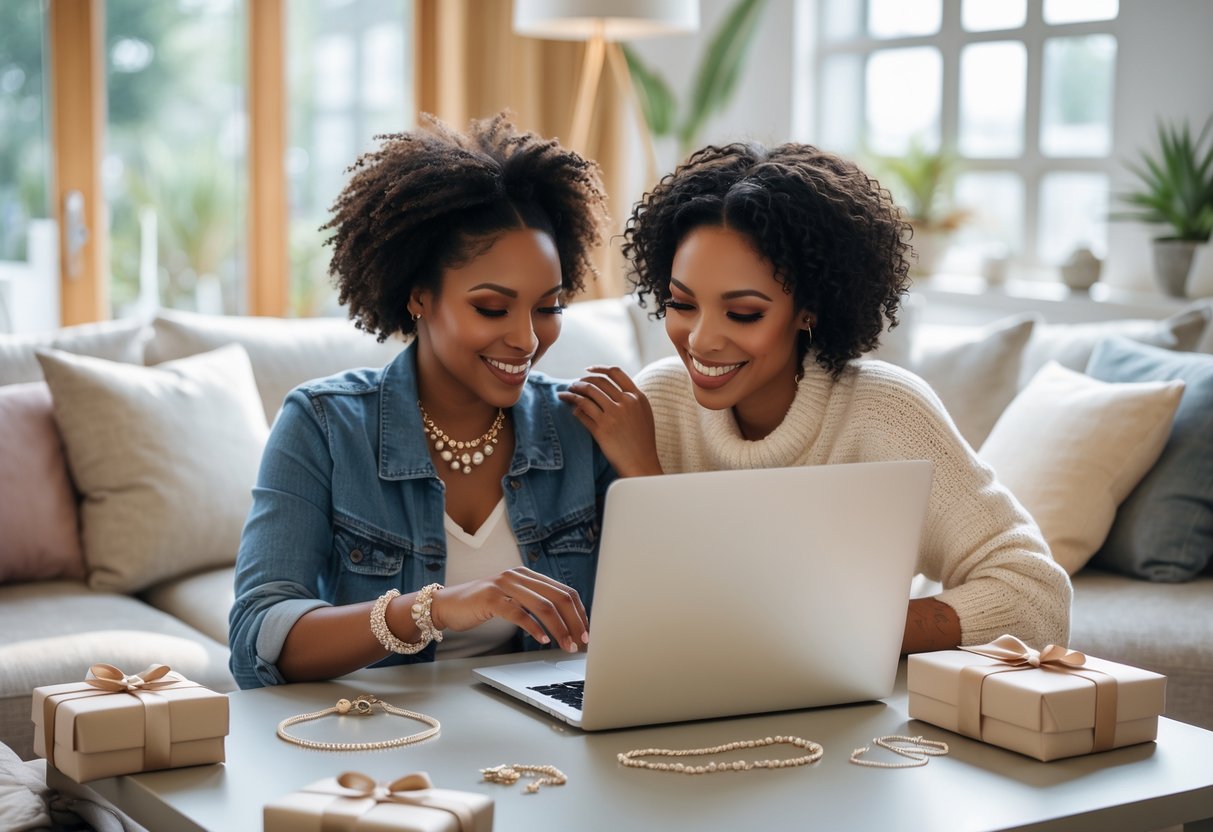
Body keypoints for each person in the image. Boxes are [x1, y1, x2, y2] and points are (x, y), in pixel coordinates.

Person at [560, 141, 1071, 653]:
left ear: (809, 310)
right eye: (683, 304)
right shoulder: (656, 404)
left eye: (743, 314)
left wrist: (838, 630)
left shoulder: (884, 411)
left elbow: (1036, 598)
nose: (700, 340)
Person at [229, 114, 614, 689]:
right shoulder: (324, 425)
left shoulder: (584, 425)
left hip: (539, 738)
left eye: (548, 307)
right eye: (491, 308)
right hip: (379, 737)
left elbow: (674, 625)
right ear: (419, 296)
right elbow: (256, 637)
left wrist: (643, 471)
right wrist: (432, 608)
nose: (527, 339)